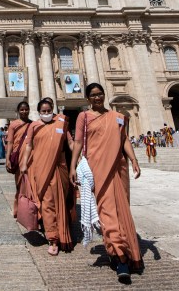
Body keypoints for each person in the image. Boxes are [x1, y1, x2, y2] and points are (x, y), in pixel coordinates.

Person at [69, 83, 143, 280]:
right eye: (93, 95)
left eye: (100, 94)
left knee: (120, 210)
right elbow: (77, 142)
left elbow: (124, 139)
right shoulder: (83, 117)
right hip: (96, 169)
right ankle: (120, 258)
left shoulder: (117, 117)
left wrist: (134, 160)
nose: (97, 98)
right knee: (107, 211)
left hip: (118, 168)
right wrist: (72, 166)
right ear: (87, 98)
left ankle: (122, 251)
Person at [20, 99, 74, 256]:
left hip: (60, 168)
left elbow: (70, 143)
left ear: (53, 110)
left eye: (48, 110)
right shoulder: (34, 126)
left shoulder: (61, 123)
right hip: (41, 168)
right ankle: (53, 239)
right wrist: (24, 163)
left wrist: (80, 157)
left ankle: (64, 233)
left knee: (61, 201)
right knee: (47, 203)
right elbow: (29, 145)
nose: (46, 113)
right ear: (38, 112)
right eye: (43, 111)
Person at [6, 101, 32, 217]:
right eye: (22, 110)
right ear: (18, 111)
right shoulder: (13, 125)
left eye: (26, 109)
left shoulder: (33, 124)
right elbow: (10, 142)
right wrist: (7, 158)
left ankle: (29, 209)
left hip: (30, 157)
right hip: (18, 156)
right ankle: (17, 208)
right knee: (19, 184)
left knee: (30, 184)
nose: (24, 111)